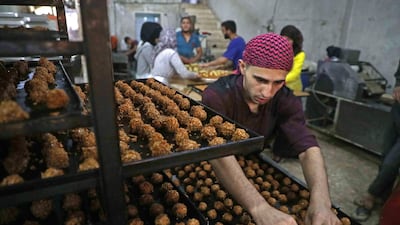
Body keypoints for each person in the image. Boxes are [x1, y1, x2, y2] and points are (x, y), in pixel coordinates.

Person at [202, 33, 341, 225]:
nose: (267, 92)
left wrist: (322, 203)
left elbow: (308, 149)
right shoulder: (217, 96)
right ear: (242, 67)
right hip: (212, 165)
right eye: (260, 80)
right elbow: (217, 153)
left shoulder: (284, 98)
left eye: (278, 82)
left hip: (251, 164)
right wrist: (258, 207)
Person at [352, 59, 400, 222]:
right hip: (398, 111)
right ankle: (383, 197)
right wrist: (399, 83)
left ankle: (370, 197)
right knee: (385, 156)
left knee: (391, 163)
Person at [280, 25, 305, 91]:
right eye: (283, 39)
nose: (285, 42)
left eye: (288, 39)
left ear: (294, 41)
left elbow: (295, 73)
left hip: (292, 88)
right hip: (279, 85)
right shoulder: (278, 51)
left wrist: (279, 80)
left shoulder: (300, 55)